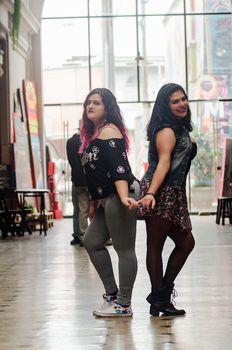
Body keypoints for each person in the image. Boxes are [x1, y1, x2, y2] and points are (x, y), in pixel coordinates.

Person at [137, 83, 197, 316]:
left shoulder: (179, 128)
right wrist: (151, 193)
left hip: (174, 192)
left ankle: (160, 297)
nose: (182, 103)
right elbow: (163, 164)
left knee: (186, 243)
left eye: (183, 99)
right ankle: (159, 297)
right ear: (165, 105)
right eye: (175, 101)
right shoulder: (166, 131)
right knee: (156, 246)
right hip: (161, 193)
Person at [80, 88, 139, 317]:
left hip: (119, 193)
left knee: (124, 249)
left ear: (108, 108)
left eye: (96, 102)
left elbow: (119, 167)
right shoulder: (94, 134)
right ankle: (112, 295)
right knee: (92, 241)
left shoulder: (109, 131)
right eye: (88, 103)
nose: (90, 106)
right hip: (107, 197)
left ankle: (123, 304)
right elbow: (95, 173)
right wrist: (95, 203)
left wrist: (124, 197)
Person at [66, 124, 90, 246]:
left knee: (80, 210)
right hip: (89, 180)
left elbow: (71, 161)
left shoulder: (69, 142)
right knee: (92, 209)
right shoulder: (87, 141)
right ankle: (92, 236)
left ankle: (80, 235)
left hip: (76, 180)